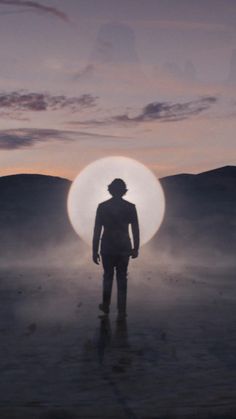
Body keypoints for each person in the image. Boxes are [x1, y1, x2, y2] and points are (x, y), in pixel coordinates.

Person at [92, 178, 140, 320]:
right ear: (123, 191)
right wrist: (135, 247)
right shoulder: (130, 207)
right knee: (122, 277)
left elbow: (97, 230)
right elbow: (135, 230)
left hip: (107, 247)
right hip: (124, 247)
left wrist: (94, 250)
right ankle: (121, 309)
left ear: (111, 190)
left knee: (108, 276)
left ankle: (106, 305)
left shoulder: (102, 207)